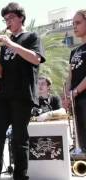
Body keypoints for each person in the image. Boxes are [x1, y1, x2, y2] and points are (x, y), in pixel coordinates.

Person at [0, 2, 45, 180]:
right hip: (3, 95)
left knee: (19, 140)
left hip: (22, 95)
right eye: (5, 19)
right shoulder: (4, 45)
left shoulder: (32, 37)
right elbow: (1, 74)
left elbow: (35, 59)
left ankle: (20, 176)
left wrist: (10, 43)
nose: (7, 22)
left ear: (20, 17)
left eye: (10, 18)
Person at [64, 9, 86, 152]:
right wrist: (66, 95)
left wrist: (76, 91)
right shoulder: (75, 51)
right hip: (76, 100)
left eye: (78, 23)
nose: (74, 26)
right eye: (73, 24)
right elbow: (70, 76)